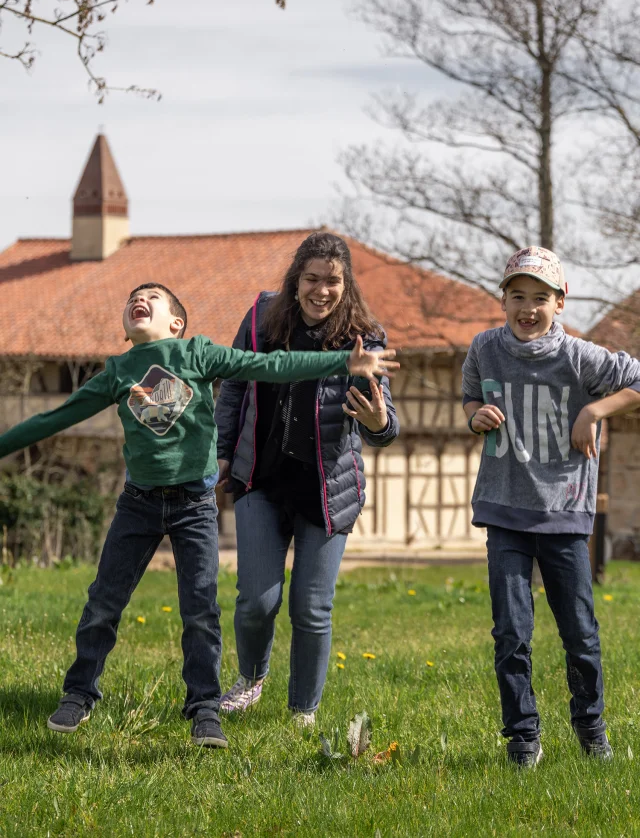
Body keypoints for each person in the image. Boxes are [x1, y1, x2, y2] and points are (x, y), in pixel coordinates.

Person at [0, 282, 399, 748]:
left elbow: (270, 366)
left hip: (194, 506)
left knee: (200, 611)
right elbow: (56, 418)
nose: (139, 298)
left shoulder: (198, 354)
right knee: (103, 604)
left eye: (152, 295)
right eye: (133, 298)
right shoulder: (118, 371)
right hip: (138, 504)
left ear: (176, 323)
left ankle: (204, 709)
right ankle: (79, 693)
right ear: (127, 331)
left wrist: (342, 362)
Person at [462, 246, 640, 767]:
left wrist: (594, 409)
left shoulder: (580, 357)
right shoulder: (484, 348)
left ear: (561, 302)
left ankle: (591, 729)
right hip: (504, 509)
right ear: (503, 300)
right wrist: (476, 416)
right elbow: (471, 396)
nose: (528, 307)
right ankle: (522, 737)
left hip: (565, 512)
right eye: (518, 296)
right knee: (511, 632)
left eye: (540, 297)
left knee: (579, 632)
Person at [215, 231, 400, 729]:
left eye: (333, 281)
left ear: (346, 284)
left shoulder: (365, 335)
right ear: (295, 279)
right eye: (312, 278)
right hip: (262, 479)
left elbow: (384, 430)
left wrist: (380, 418)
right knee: (257, 600)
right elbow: (233, 384)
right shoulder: (260, 319)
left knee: (311, 608)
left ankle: (304, 711)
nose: (322, 290)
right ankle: (250, 680)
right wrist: (224, 453)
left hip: (327, 490)